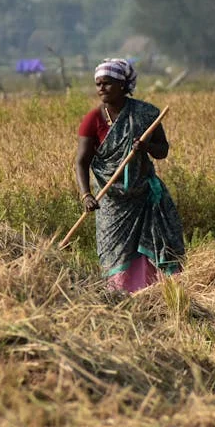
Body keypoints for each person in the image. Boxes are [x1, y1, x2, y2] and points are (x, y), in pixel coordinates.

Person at [74, 58, 185, 293]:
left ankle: (157, 294)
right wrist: (86, 195)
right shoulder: (93, 119)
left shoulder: (146, 114)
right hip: (110, 201)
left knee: (153, 244)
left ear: (122, 85)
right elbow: (81, 162)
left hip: (144, 195)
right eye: (98, 84)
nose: (101, 88)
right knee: (115, 252)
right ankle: (122, 297)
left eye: (107, 83)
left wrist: (146, 147)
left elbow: (162, 150)